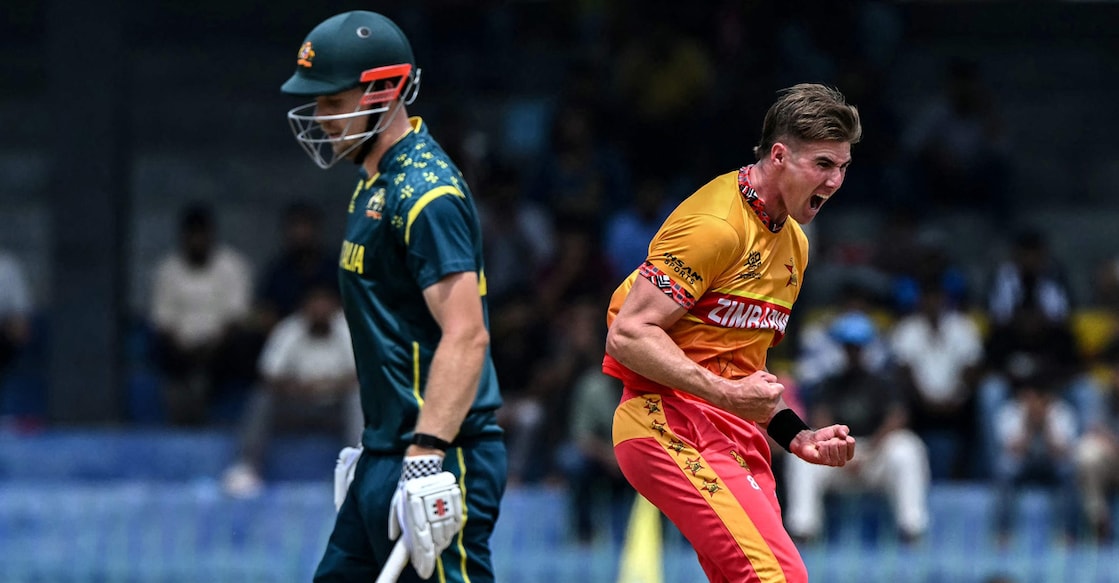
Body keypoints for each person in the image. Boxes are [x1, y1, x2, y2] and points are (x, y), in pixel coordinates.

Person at [281, 11, 505, 582]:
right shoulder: (375, 182)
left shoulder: (428, 194)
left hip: (440, 456)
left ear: (384, 90)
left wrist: (426, 452)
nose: (321, 118)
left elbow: (467, 332)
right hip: (389, 453)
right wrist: (381, 449)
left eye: (333, 102)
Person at [604, 83, 860, 582]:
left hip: (734, 436)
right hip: (665, 421)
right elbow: (629, 335)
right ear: (780, 156)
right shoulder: (714, 225)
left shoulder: (795, 246)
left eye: (843, 168)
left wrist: (797, 435)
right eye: (824, 165)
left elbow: (745, 369)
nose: (834, 182)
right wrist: (725, 393)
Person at [784, 312, 930, 544]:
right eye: (849, 347)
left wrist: (870, 452)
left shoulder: (883, 382)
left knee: (907, 447)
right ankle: (803, 529)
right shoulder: (830, 383)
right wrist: (842, 453)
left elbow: (896, 418)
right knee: (800, 456)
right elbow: (822, 419)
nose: (853, 353)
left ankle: (911, 528)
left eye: (858, 347)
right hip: (837, 455)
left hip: (874, 453)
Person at [221, 284, 362, 499]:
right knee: (262, 398)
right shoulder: (290, 328)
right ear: (304, 308)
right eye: (314, 305)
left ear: (334, 308)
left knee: (357, 398)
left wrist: (329, 385)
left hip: (333, 408)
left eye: (324, 305)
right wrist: (299, 387)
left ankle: (356, 470)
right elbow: (268, 375)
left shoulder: (346, 328)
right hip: (296, 405)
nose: (319, 311)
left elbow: (360, 375)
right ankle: (246, 467)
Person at [150, 203, 254, 426]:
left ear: (211, 235)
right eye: (192, 235)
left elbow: (235, 317)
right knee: (158, 349)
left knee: (245, 343)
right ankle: (183, 415)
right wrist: (184, 349)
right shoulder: (168, 270)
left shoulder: (231, 265)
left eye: (202, 235)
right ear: (183, 237)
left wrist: (211, 348)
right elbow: (164, 322)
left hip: (221, 347)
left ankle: (228, 417)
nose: (197, 241)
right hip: (181, 349)